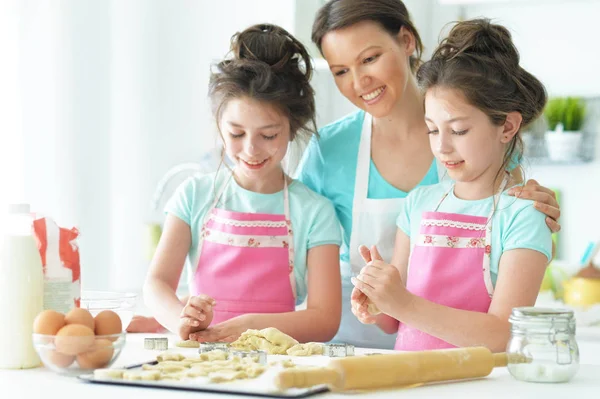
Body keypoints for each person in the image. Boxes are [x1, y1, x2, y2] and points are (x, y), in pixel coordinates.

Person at [297, 0, 561, 349]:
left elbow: (505, 221)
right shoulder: (329, 152)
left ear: (406, 41)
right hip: (352, 342)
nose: (359, 82)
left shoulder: (476, 119)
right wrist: (377, 295)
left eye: (370, 58)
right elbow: (288, 240)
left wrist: (538, 210)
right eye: (341, 71)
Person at [141, 24, 342, 343]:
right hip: (204, 360)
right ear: (219, 125)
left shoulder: (315, 212)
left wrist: (249, 326)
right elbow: (156, 285)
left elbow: (325, 319)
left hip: (280, 365)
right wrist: (181, 320)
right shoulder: (194, 195)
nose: (250, 149)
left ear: (293, 128)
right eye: (236, 133)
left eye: (268, 135)